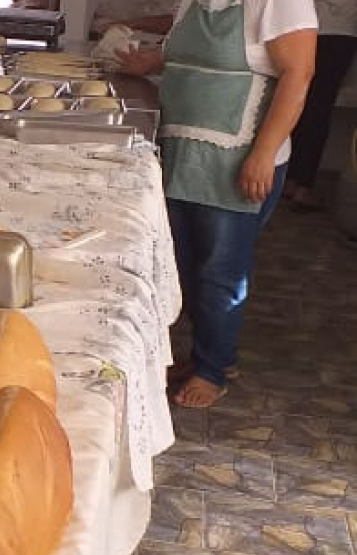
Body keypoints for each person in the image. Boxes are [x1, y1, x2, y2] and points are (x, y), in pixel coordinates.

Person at [116, 0, 317, 408]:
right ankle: (214, 355)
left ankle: (212, 370)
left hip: (237, 156)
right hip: (183, 148)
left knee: (219, 272)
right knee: (182, 264)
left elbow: (300, 72)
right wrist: (150, 63)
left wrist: (263, 152)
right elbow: (191, 57)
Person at [285, 0, 357, 211]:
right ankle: (302, 186)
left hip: (308, 26)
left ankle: (290, 180)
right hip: (341, 32)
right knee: (319, 108)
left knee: (301, 103)